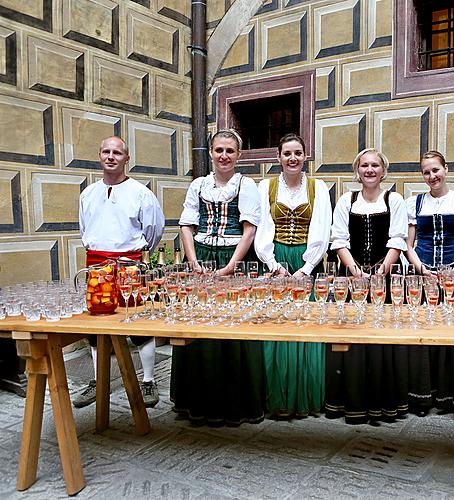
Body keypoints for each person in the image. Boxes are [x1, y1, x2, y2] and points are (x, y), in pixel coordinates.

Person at [171, 129, 265, 426]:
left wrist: (231, 266)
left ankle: (233, 405)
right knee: (198, 328)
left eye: (230, 151)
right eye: (219, 150)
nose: (224, 155)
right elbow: (186, 225)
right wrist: (194, 261)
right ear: (210, 153)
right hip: (201, 257)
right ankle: (197, 402)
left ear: (238, 156)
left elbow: (249, 229)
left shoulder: (246, 184)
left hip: (233, 258)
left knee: (233, 330)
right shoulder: (198, 185)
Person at [74, 136, 165, 409]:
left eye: (117, 152)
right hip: (96, 265)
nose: (111, 156)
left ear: (127, 159)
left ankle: (148, 380)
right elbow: (84, 230)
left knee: (137, 323)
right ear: (99, 156)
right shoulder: (88, 193)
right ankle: (98, 380)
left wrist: (132, 255)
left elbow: (153, 230)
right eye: (106, 151)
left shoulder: (141, 193)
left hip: (128, 265)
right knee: (96, 328)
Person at [326, 148, 409, 425]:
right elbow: (339, 240)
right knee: (352, 337)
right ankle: (351, 400)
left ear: (383, 171)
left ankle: (383, 403)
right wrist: (355, 272)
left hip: (385, 277)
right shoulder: (346, 200)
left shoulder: (394, 199)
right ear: (357, 170)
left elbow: (398, 239)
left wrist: (381, 272)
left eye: (375, 165)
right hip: (351, 276)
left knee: (381, 338)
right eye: (364, 166)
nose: (370, 170)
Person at [404, 150, 454, 420]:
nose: (432, 176)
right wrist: (420, 268)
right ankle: (423, 396)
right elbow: (408, 244)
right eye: (426, 172)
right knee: (424, 336)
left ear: (446, 169)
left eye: (435, 170)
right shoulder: (415, 204)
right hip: (424, 275)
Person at [254, 133, 332, 418]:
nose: (293, 158)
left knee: (304, 329)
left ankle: (303, 397)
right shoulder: (266, 186)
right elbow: (262, 227)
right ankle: (275, 397)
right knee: (275, 327)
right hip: (276, 262)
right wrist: (272, 263)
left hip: (303, 262)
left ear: (305, 156)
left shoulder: (318, 187)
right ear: (278, 157)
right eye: (287, 153)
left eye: (298, 153)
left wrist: (306, 268)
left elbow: (323, 228)